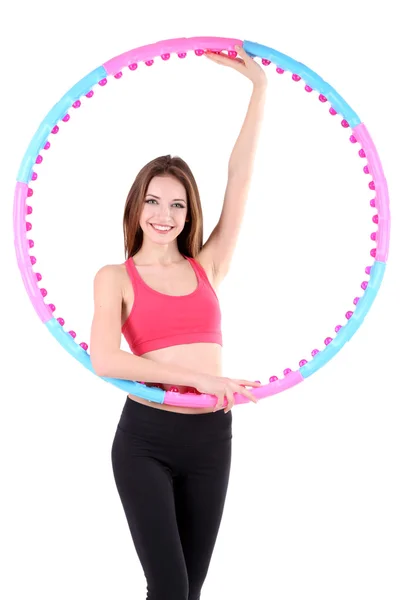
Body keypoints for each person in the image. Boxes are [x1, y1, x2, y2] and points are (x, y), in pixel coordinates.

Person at [90, 45, 268, 600]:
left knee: (187, 592)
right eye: (154, 201)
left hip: (211, 438)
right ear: (136, 206)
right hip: (146, 437)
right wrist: (206, 382)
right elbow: (105, 359)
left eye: (177, 205)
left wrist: (259, 91)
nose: (163, 216)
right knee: (168, 588)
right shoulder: (114, 277)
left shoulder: (208, 266)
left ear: (190, 212)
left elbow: (239, 181)